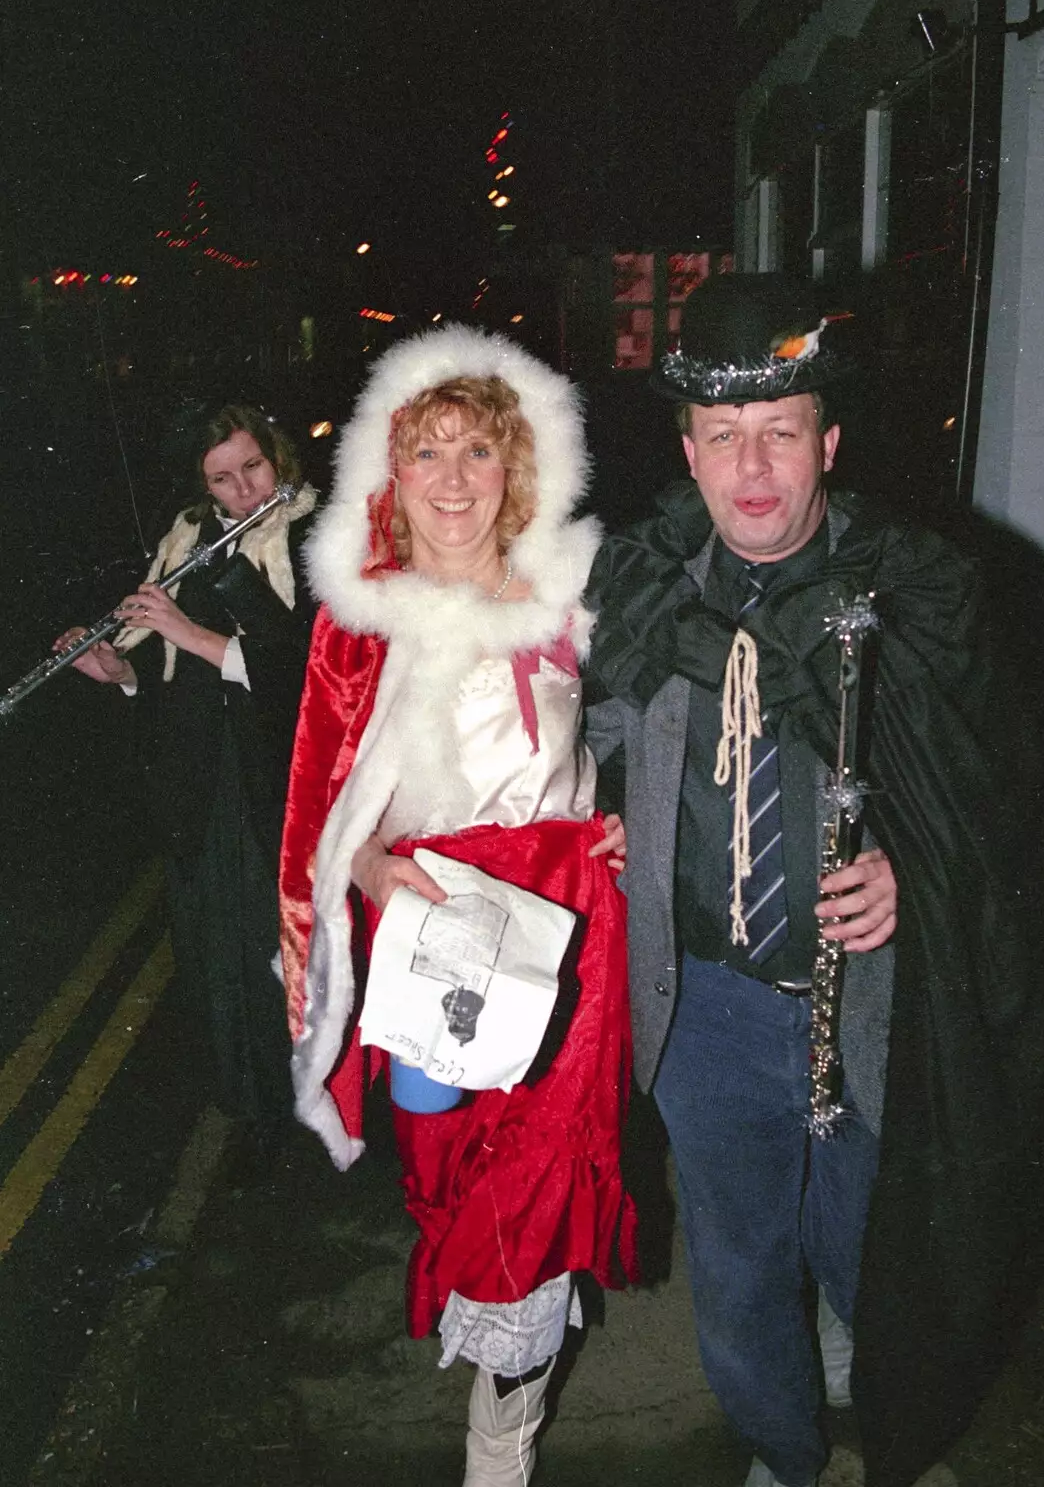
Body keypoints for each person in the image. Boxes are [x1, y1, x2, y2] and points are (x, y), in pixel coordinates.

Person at [583, 274, 1044, 1487]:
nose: (754, 466)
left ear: (826, 443)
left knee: (881, 1256)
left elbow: (1000, 807)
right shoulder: (639, 588)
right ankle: (785, 1459)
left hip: (879, 1009)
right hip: (708, 1010)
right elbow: (581, 746)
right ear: (688, 453)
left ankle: (897, 1438)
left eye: (781, 432)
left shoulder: (922, 591)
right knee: (740, 1277)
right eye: (725, 438)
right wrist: (606, 818)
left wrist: (913, 872)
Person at [278, 325, 637, 1487]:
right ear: (395, 473)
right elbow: (331, 809)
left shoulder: (575, 595)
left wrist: (621, 817)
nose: (449, 479)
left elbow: (634, 732)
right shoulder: (366, 620)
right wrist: (380, 875)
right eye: (425, 452)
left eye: (475, 451)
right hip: (439, 940)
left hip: (573, 929)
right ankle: (505, 1403)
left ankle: (500, 1452)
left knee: (538, 1186)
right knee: (454, 1177)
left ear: (514, 469)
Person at [56, 402, 317, 1152]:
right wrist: (117, 669)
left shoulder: (309, 535)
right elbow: (164, 673)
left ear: (279, 460)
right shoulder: (188, 537)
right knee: (209, 949)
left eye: (253, 468)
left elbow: (295, 674)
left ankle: (288, 1114)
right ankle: (246, 1104)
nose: (241, 491)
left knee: (266, 948)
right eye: (221, 479)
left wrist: (183, 628)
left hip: (265, 771)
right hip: (197, 771)